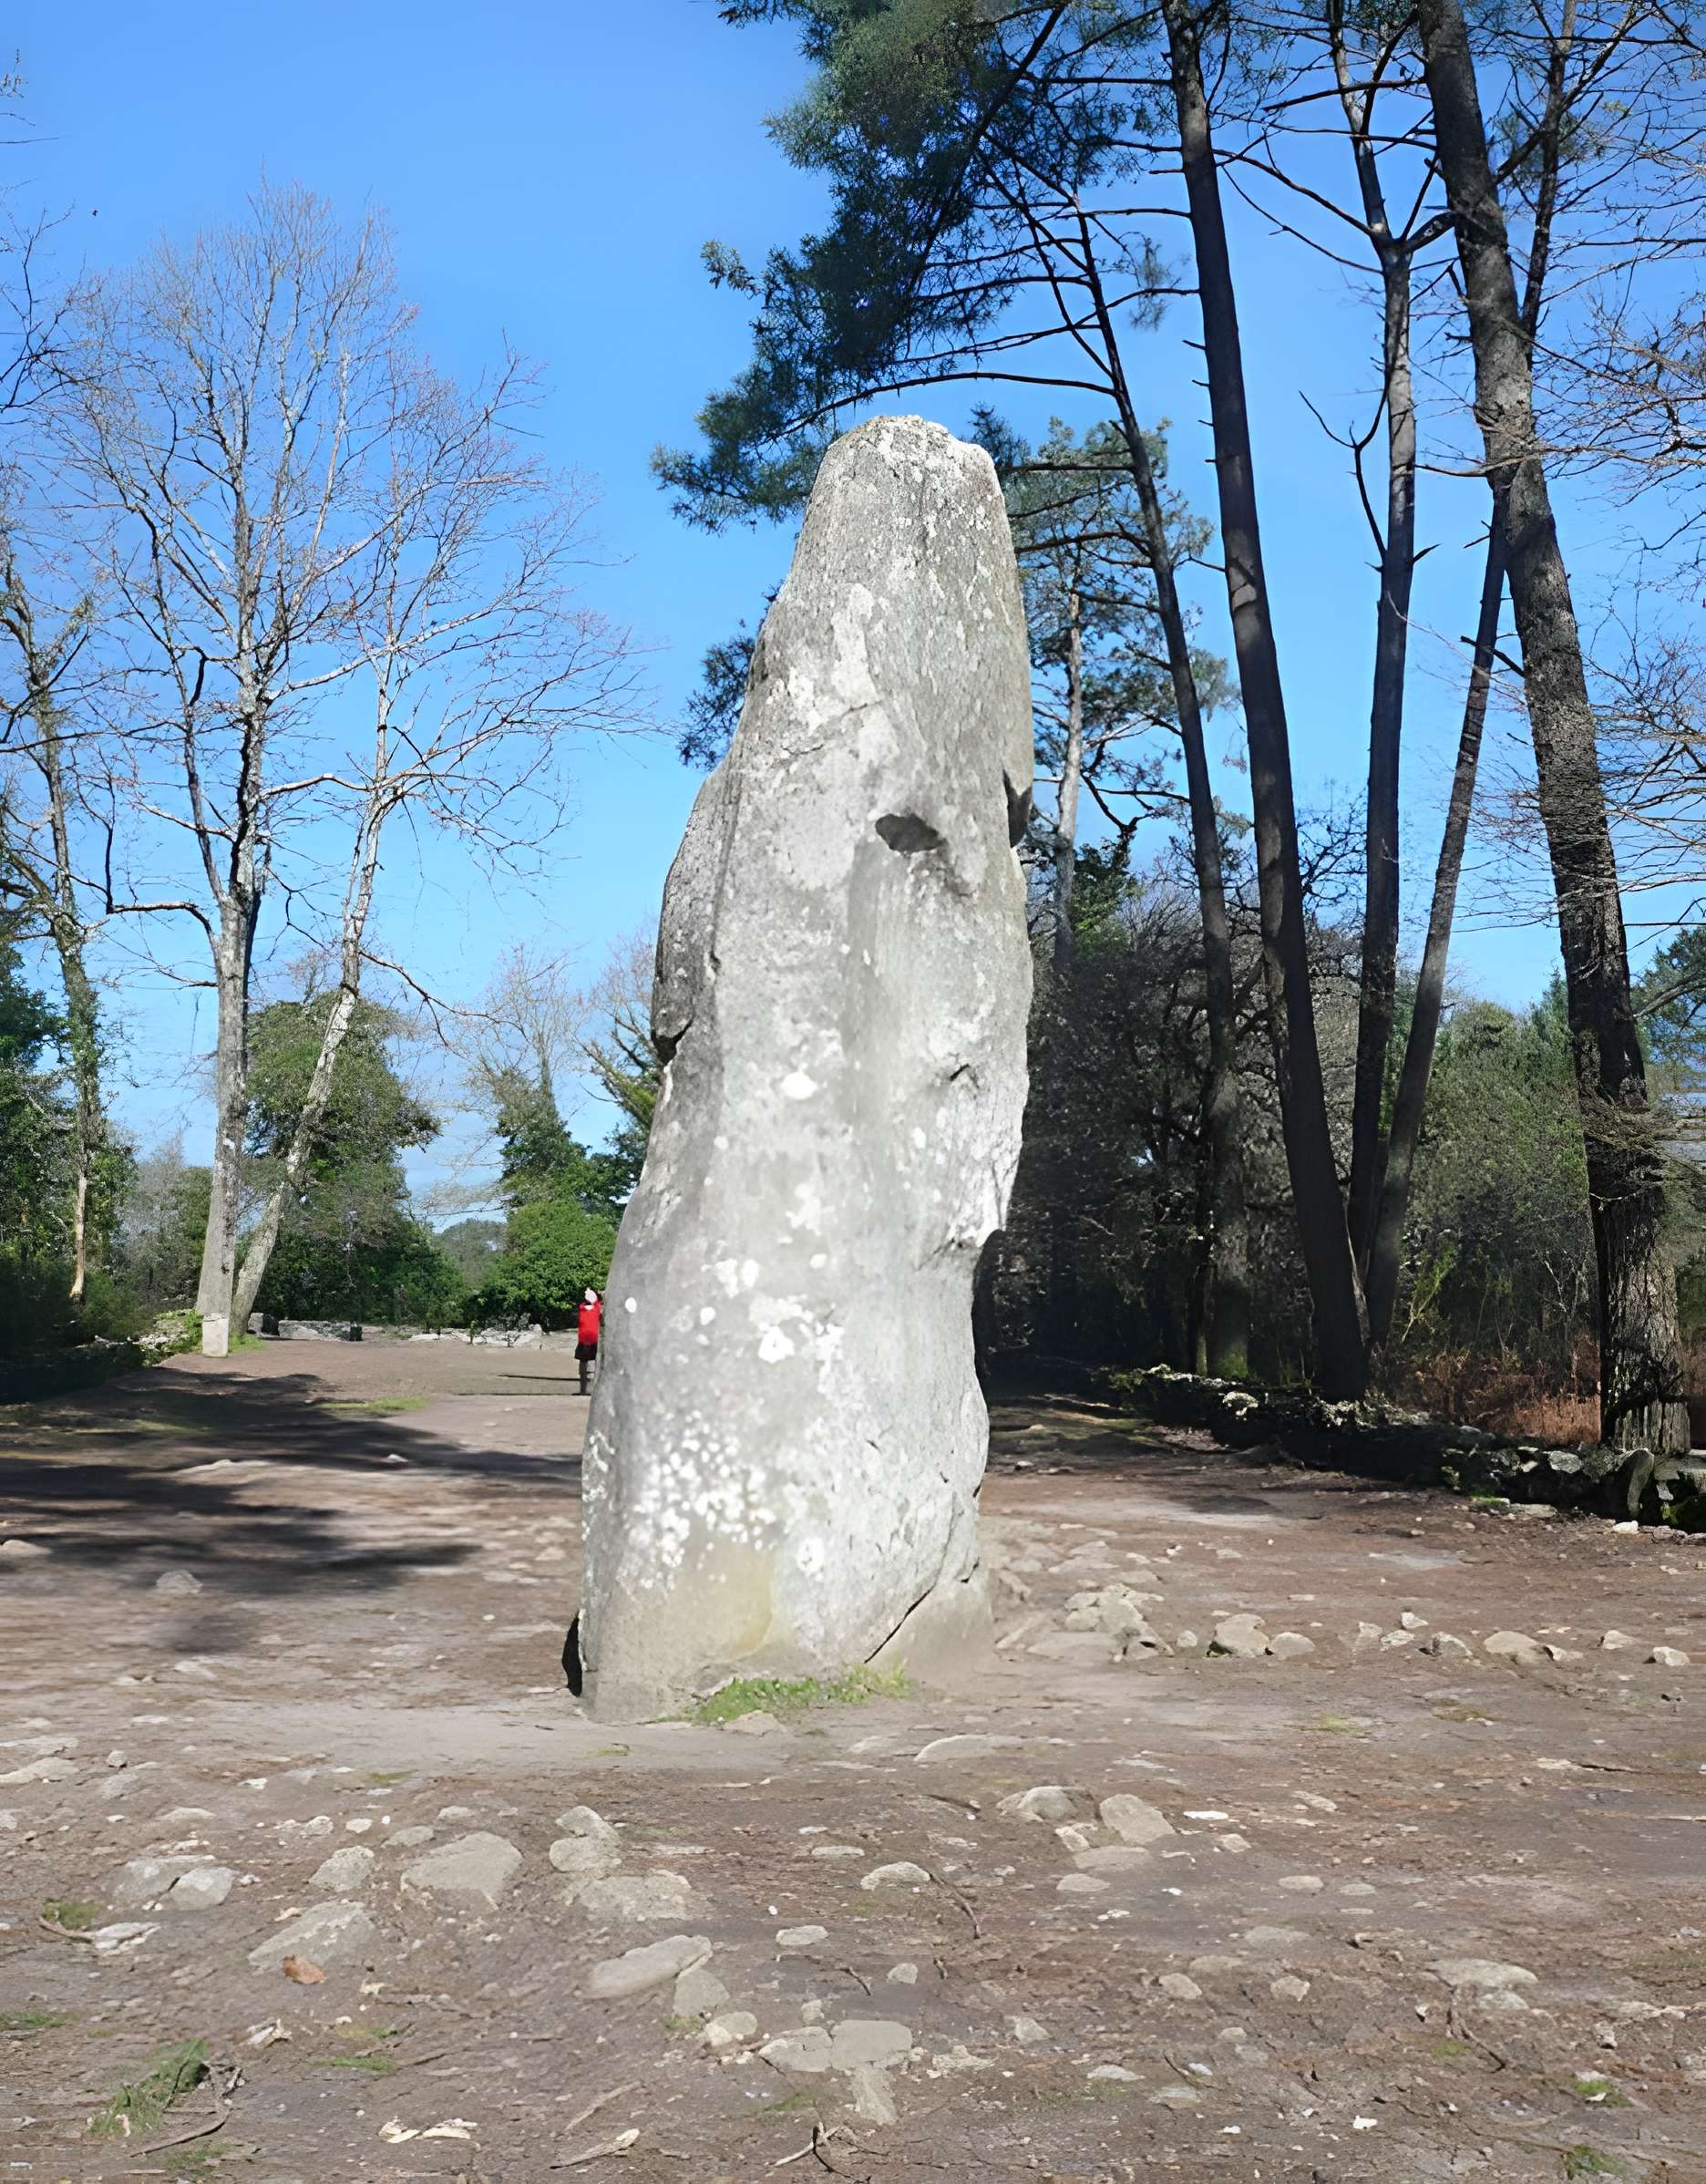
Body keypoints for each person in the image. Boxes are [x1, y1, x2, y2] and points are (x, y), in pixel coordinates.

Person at [576, 1287, 602, 1396]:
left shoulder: (597, 1307)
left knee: (592, 1366)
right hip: (583, 1340)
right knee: (583, 1367)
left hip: (593, 1340)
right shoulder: (582, 1307)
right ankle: (583, 1390)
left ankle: (592, 1389)